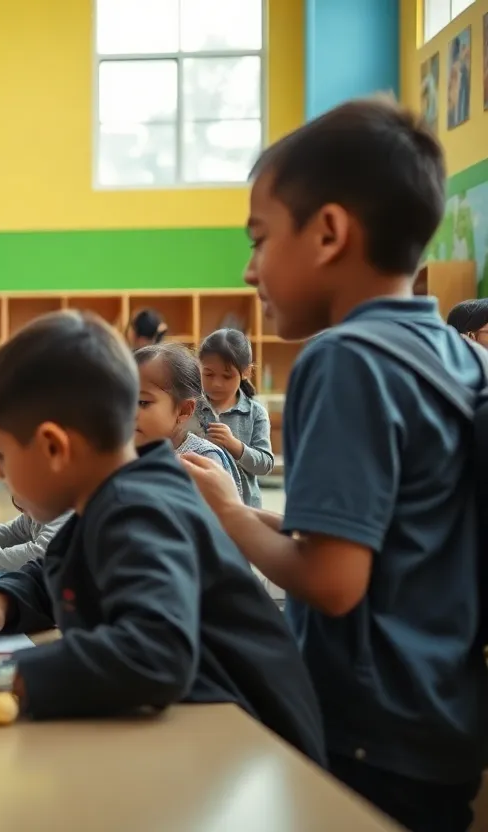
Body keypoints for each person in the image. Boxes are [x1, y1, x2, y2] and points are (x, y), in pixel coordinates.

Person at [181, 98, 486, 831]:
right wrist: (256, 511)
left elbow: (333, 581)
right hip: (438, 720)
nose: (249, 268)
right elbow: (397, 535)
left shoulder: (342, 359)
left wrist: (225, 511)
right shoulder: (457, 357)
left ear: (328, 232)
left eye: (258, 239)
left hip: (363, 731)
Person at [0, 311, 325, 765]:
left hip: (257, 754)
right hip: (200, 741)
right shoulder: (113, 497)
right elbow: (61, 572)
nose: (2, 474)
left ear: (53, 447)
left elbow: (154, 651)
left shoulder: (140, 509)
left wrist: (4, 674)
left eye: (2, 456)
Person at [133, 343, 244, 503]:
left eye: (142, 402)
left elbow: (218, 520)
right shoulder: (125, 454)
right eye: (125, 401)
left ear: (184, 410)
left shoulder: (202, 460)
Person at [198, 328, 274, 508]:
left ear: (246, 372)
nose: (216, 383)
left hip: (244, 509)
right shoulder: (191, 408)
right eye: (208, 374)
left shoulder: (255, 413)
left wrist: (236, 447)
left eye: (227, 376)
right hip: (202, 508)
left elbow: (265, 465)